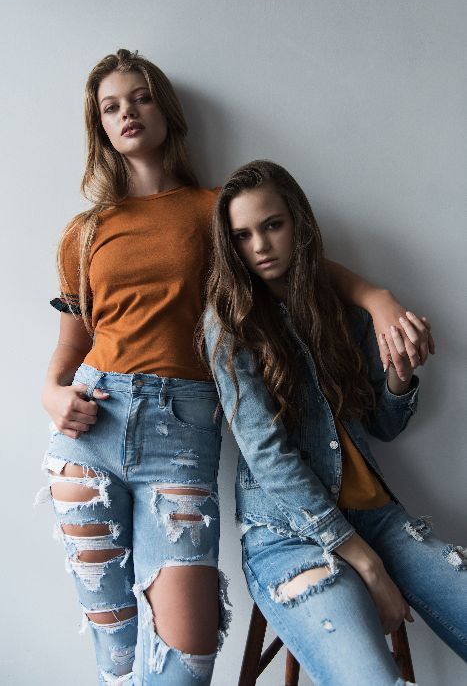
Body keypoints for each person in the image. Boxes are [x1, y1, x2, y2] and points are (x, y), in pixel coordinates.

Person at [38, 48, 433, 685]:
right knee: (116, 654)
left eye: (140, 97)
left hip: (181, 438)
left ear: (166, 109)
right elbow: (70, 347)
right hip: (91, 430)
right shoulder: (83, 232)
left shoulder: (215, 210)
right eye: (110, 107)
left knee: (186, 657)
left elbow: (304, 268)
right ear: (100, 127)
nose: (128, 113)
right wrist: (51, 394)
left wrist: (377, 298)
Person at [202, 159, 466, 686]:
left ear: (298, 223)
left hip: (379, 520)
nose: (260, 246)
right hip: (287, 535)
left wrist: (399, 374)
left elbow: (383, 426)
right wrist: (365, 563)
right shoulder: (229, 324)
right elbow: (268, 457)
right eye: (243, 235)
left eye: (272, 225)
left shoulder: (339, 310)